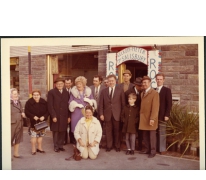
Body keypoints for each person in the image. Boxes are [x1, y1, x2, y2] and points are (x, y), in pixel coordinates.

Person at [99, 74, 125, 152]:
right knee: (108, 131)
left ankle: (117, 146)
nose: (111, 82)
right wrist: (101, 114)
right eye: (109, 81)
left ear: (115, 81)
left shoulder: (120, 90)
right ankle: (109, 146)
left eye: (112, 81)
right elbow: (101, 104)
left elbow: (123, 104)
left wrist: (122, 115)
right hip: (107, 115)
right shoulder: (104, 91)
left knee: (117, 131)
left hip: (117, 114)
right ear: (107, 82)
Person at [69, 76, 97, 144]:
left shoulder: (88, 91)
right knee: (76, 128)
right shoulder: (73, 92)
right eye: (77, 84)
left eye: (80, 84)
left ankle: (85, 144)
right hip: (76, 112)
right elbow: (70, 102)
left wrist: (89, 101)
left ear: (83, 84)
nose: (78, 85)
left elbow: (92, 101)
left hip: (85, 112)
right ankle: (77, 144)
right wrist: (76, 105)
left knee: (85, 128)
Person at [47, 77, 70, 152]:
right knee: (56, 131)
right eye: (58, 84)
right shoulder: (51, 92)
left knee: (63, 131)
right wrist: (53, 116)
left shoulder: (66, 92)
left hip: (64, 115)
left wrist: (69, 116)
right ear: (55, 84)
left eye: (61, 84)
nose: (59, 85)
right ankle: (56, 146)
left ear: (63, 84)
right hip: (56, 115)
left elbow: (68, 105)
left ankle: (61, 145)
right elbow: (50, 106)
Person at [139, 76, 159, 158]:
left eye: (146, 83)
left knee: (152, 136)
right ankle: (147, 149)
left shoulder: (154, 93)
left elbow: (155, 107)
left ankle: (153, 151)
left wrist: (152, 118)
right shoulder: (142, 93)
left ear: (149, 83)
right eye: (143, 83)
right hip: (143, 118)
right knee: (145, 135)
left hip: (150, 118)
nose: (144, 84)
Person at [25, 90, 49, 155]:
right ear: (32, 95)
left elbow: (48, 111)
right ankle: (33, 149)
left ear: (40, 95)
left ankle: (39, 148)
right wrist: (33, 116)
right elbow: (26, 112)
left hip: (42, 122)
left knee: (40, 136)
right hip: (33, 122)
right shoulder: (28, 102)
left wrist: (44, 116)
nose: (36, 96)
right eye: (34, 95)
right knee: (34, 137)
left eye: (37, 95)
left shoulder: (44, 102)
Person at [155, 73, 172, 154]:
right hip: (154, 115)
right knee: (154, 132)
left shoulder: (167, 90)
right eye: (157, 79)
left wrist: (167, 115)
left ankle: (162, 149)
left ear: (163, 80)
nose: (159, 81)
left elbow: (169, 104)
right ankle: (155, 148)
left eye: (160, 79)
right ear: (155, 80)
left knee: (162, 132)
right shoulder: (154, 90)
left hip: (163, 115)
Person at [125, 77, 143, 151]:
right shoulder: (128, 92)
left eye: (141, 85)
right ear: (135, 85)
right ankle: (130, 147)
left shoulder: (143, 91)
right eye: (139, 85)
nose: (140, 87)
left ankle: (139, 146)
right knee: (130, 133)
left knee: (140, 131)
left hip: (140, 115)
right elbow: (125, 105)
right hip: (131, 116)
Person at [10, 88, 26, 158]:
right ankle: (8, 156)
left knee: (17, 138)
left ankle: (16, 153)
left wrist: (23, 113)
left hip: (19, 123)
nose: (16, 95)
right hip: (12, 124)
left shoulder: (18, 102)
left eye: (17, 93)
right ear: (10, 95)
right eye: (14, 94)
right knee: (10, 139)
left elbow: (21, 110)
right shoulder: (8, 103)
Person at [64, 77, 73, 145]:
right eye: (66, 83)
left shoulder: (74, 90)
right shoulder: (62, 91)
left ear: (71, 83)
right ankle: (65, 140)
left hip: (73, 111)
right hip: (65, 110)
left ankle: (72, 139)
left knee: (72, 126)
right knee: (64, 126)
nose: (68, 85)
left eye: (69, 83)